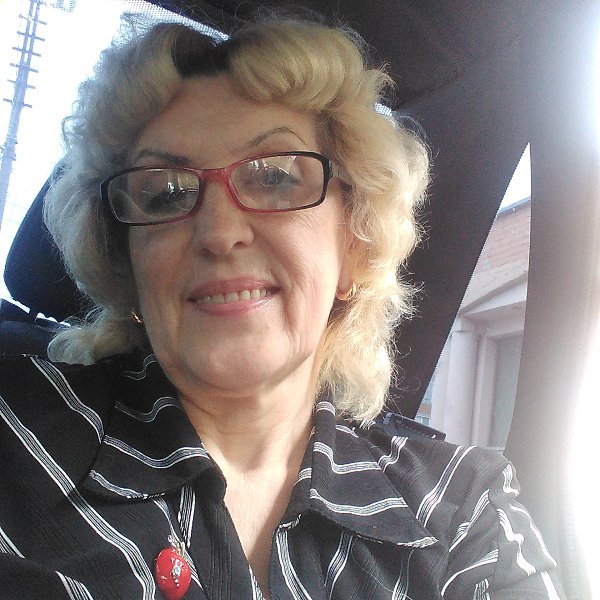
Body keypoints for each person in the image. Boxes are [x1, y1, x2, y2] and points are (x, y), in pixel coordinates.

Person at [0, 15, 564, 600]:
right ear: (129, 263)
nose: (220, 233)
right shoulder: (16, 441)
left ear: (354, 241)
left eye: (274, 178)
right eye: (166, 193)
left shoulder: (462, 509)